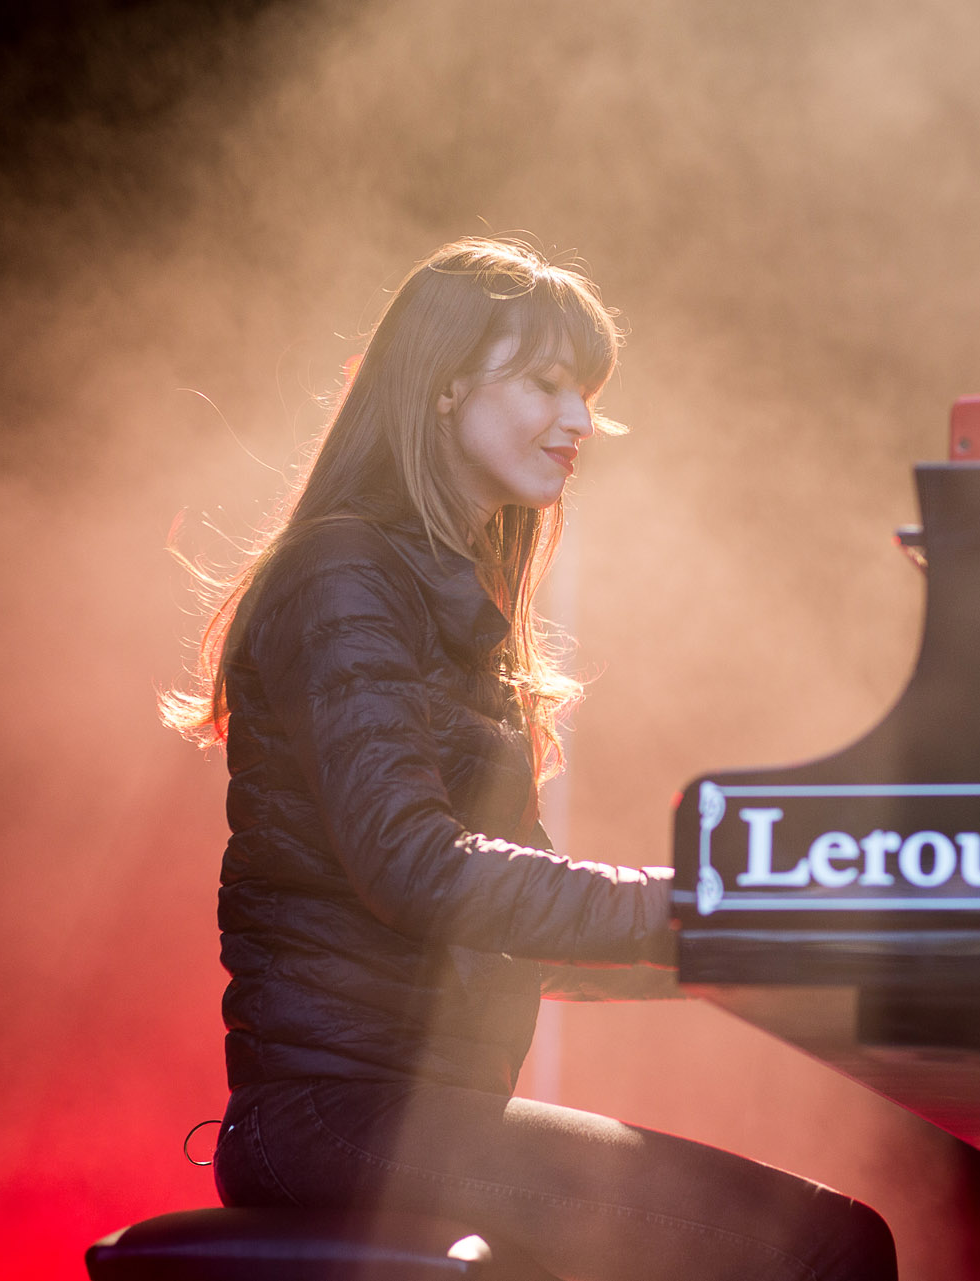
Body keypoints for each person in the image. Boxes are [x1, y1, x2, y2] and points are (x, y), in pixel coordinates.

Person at [163, 237, 896, 1281]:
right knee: (829, 1247)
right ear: (444, 384)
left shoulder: (442, 600)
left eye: (585, 392)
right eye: (547, 383)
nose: (580, 420)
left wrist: (763, 942)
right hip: (337, 1119)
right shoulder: (344, 575)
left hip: (401, 1114)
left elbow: (514, 932)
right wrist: (706, 905)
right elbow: (416, 869)